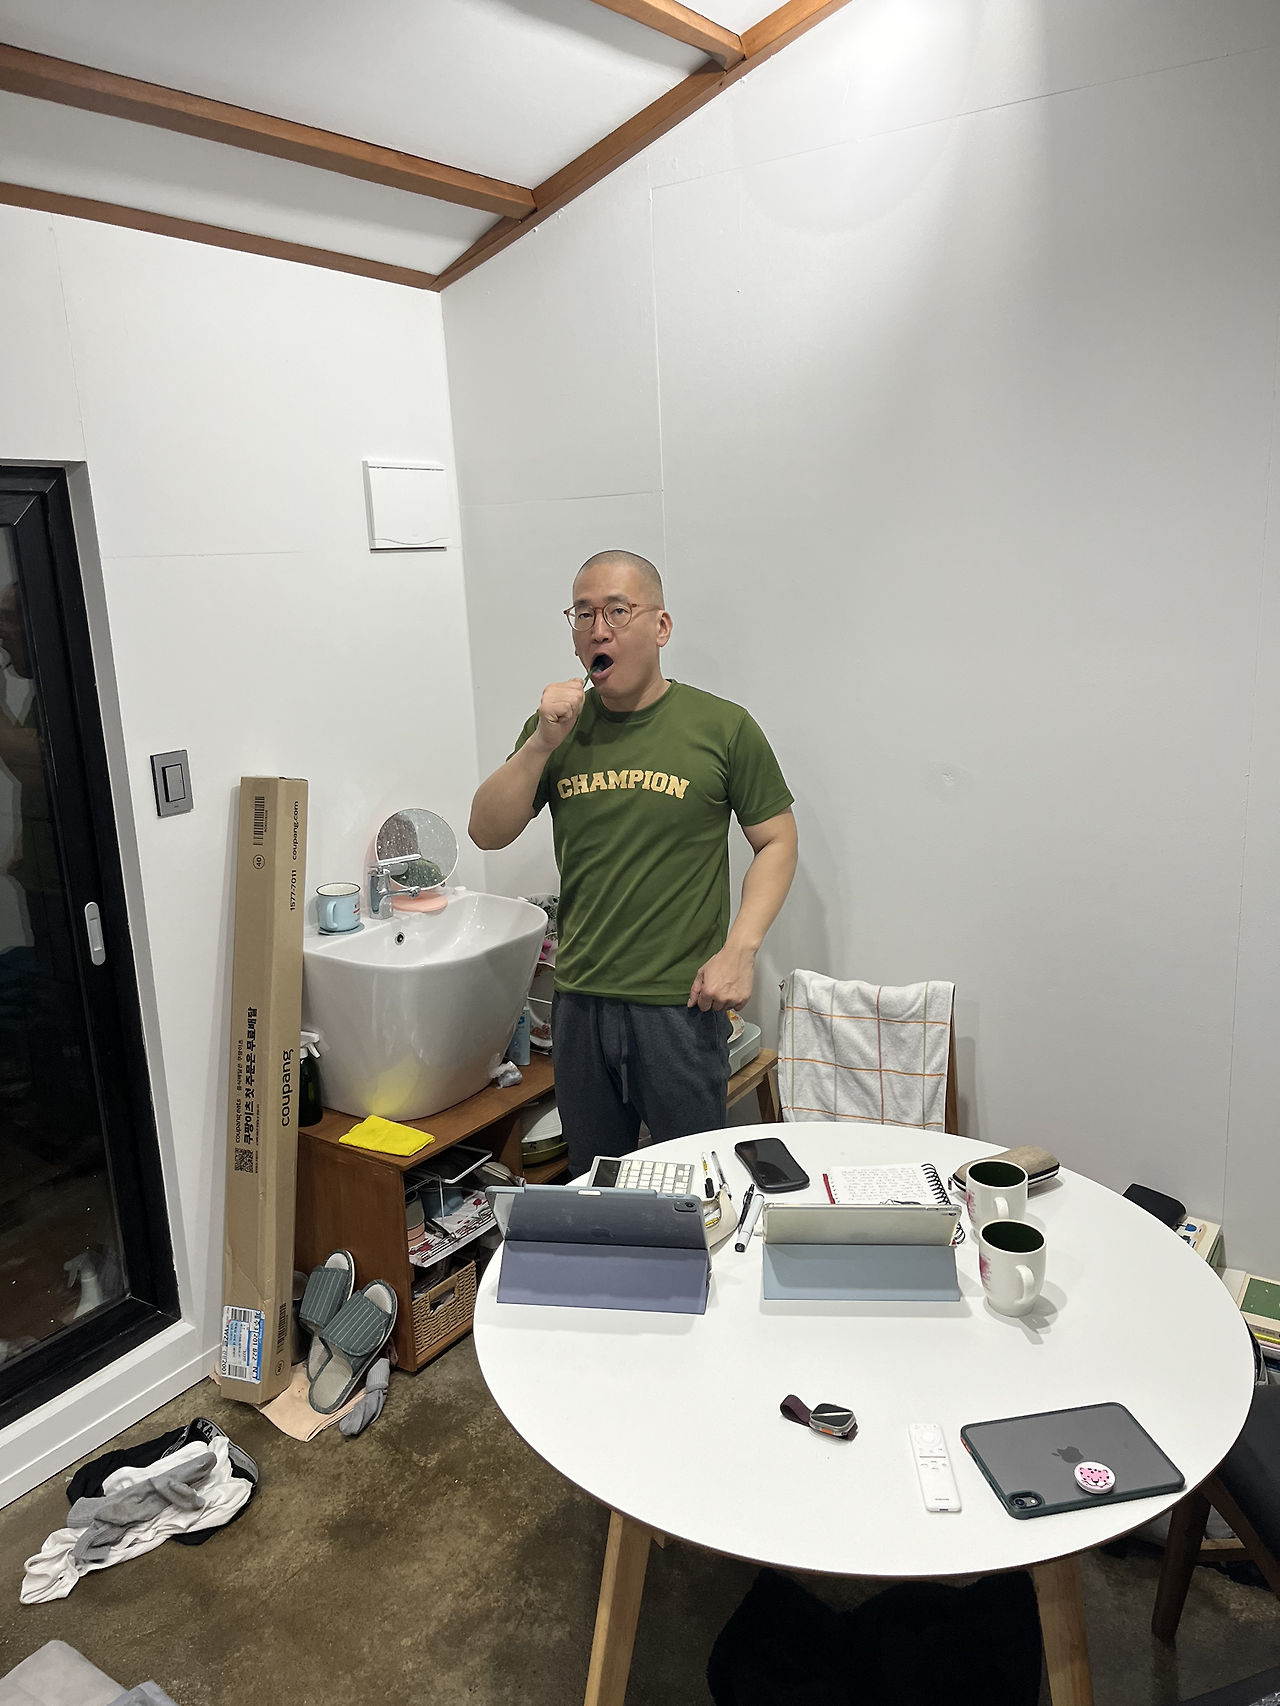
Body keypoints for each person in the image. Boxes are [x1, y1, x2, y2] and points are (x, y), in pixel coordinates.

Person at [469, 550, 797, 1176]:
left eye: (617, 611)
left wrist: (741, 949)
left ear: (661, 626)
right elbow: (486, 831)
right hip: (580, 1002)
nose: (599, 629)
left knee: (694, 1186)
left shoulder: (723, 727)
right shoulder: (555, 731)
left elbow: (777, 841)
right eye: (584, 614)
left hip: (681, 1007)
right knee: (598, 1184)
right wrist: (541, 743)